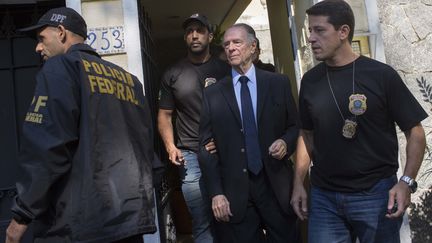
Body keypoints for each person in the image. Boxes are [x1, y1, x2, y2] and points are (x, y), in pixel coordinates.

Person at [6, 7, 156, 243]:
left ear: (62, 32)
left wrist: (21, 215)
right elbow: (145, 147)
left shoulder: (60, 69)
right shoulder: (130, 81)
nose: (37, 48)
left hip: (77, 227)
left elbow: (46, 149)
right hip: (128, 225)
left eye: (41, 39)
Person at [291, 1, 428, 242]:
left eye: (319, 30)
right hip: (325, 198)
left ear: (343, 32)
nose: (311, 38)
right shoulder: (310, 81)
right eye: (309, 30)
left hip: (375, 195)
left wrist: (406, 182)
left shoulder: (381, 75)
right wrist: (299, 183)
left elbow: (414, 131)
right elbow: (306, 134)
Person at [198, 23, 300, 242]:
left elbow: (295, 127)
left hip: (275, 186)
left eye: (237, 42)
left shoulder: (278, 83)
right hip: (235, 192)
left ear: (253, 47)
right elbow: (205, 148)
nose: (231, 48)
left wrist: (285, 142)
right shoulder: (213, 94)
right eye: (226, 44)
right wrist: (216, 193)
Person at [157, 13, 229, 242]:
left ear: (209, 35)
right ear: (185, 38)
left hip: (225, 152)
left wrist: (227, 140)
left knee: (232, 215)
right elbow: (164, 115)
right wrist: (170, 146)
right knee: (201, 219)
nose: (194, 35)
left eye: (199, 30)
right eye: (189, 31)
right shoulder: (173, 73)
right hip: (190, 155)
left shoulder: (226, 70)